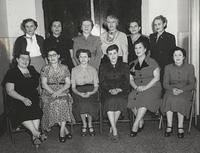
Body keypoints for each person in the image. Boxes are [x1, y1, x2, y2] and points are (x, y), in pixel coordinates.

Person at [3, 51, 44, 147]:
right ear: (17, 59)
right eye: (22, 58)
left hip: (33, 98)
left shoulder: (31, 69)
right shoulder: (12, 72)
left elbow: (39, 81)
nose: (25, 61)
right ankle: (36, 133)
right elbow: (10, 91)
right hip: (17, 99)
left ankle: (35, 135)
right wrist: (23, 99)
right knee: (23, 110)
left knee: (36, 110)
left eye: (27, 59)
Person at [127, 39, 162, 137]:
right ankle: (141, 120)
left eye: (140, 47)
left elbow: (157, 78)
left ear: (145, 49)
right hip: (138, 87)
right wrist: (136, 87)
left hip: (152, 86)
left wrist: (145, 87)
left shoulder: (152, 61)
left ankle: (135, 124)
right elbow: (131, 79)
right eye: (136, 48)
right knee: (131, 97)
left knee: (144, 98)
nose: (137, 50)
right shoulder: (132, 64)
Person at [40, 48, 75, 143]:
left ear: (58, 56)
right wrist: (52, 93)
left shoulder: (64, 67)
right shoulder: (45, 68)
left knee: (62, 102)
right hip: (48, 92)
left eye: (54, 55)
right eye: (50, 55)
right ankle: (65, 130)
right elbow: (44, 84)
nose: (52, 57)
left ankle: (61, 132)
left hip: (62, 91)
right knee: (55, 103)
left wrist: (58, 92)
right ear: (48, 58)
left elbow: (68, 83)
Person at [161, 47, 195, 138]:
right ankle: (169, 125)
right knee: (169, 98)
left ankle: (180, 126)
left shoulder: (190, 67)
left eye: (180, 55)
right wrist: (173, 89)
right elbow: (165, 84)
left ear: (184, 57)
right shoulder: (167, 67)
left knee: (180, 99)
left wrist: (182, 90)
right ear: (172, 57)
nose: (177, 57)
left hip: (185, 91)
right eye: (175, 55)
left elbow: (192, 84)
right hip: (171, 90)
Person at [99, 44, 129, 143]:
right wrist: (110, 90)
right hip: (107, 91)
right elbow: (102, 81)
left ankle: (112, 127)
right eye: (110, 54)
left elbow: (126, 81)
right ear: (107, 55)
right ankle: (115, 130)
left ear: (118, 54)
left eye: (114, 53)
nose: (112, 56)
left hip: (121, 91)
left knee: (119, 100)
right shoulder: (103, 66)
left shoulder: (124, 65)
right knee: (110, 100)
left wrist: (119, 89)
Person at [71, 49, 99, 136]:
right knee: (81, 103)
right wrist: (79, 94)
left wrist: (90, 93)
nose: (83, 59)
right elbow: (73, 87)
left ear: (89, 58)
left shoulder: (93, 69)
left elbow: (96, 86)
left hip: (91, 91)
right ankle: (84, 124)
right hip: (78, 91)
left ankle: (90, 124)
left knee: (89, 103)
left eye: (85, 57)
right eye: (81, 57)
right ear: (78, 58)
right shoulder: (74, 70)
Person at [149, 15, 176, 83]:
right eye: (155, 25)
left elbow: (172, 54)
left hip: (165, 66)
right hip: (153, 65)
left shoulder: (170, 37)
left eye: (159, 24)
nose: (157, 26)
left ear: (164, 24)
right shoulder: (152, 36)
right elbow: (151, 53)